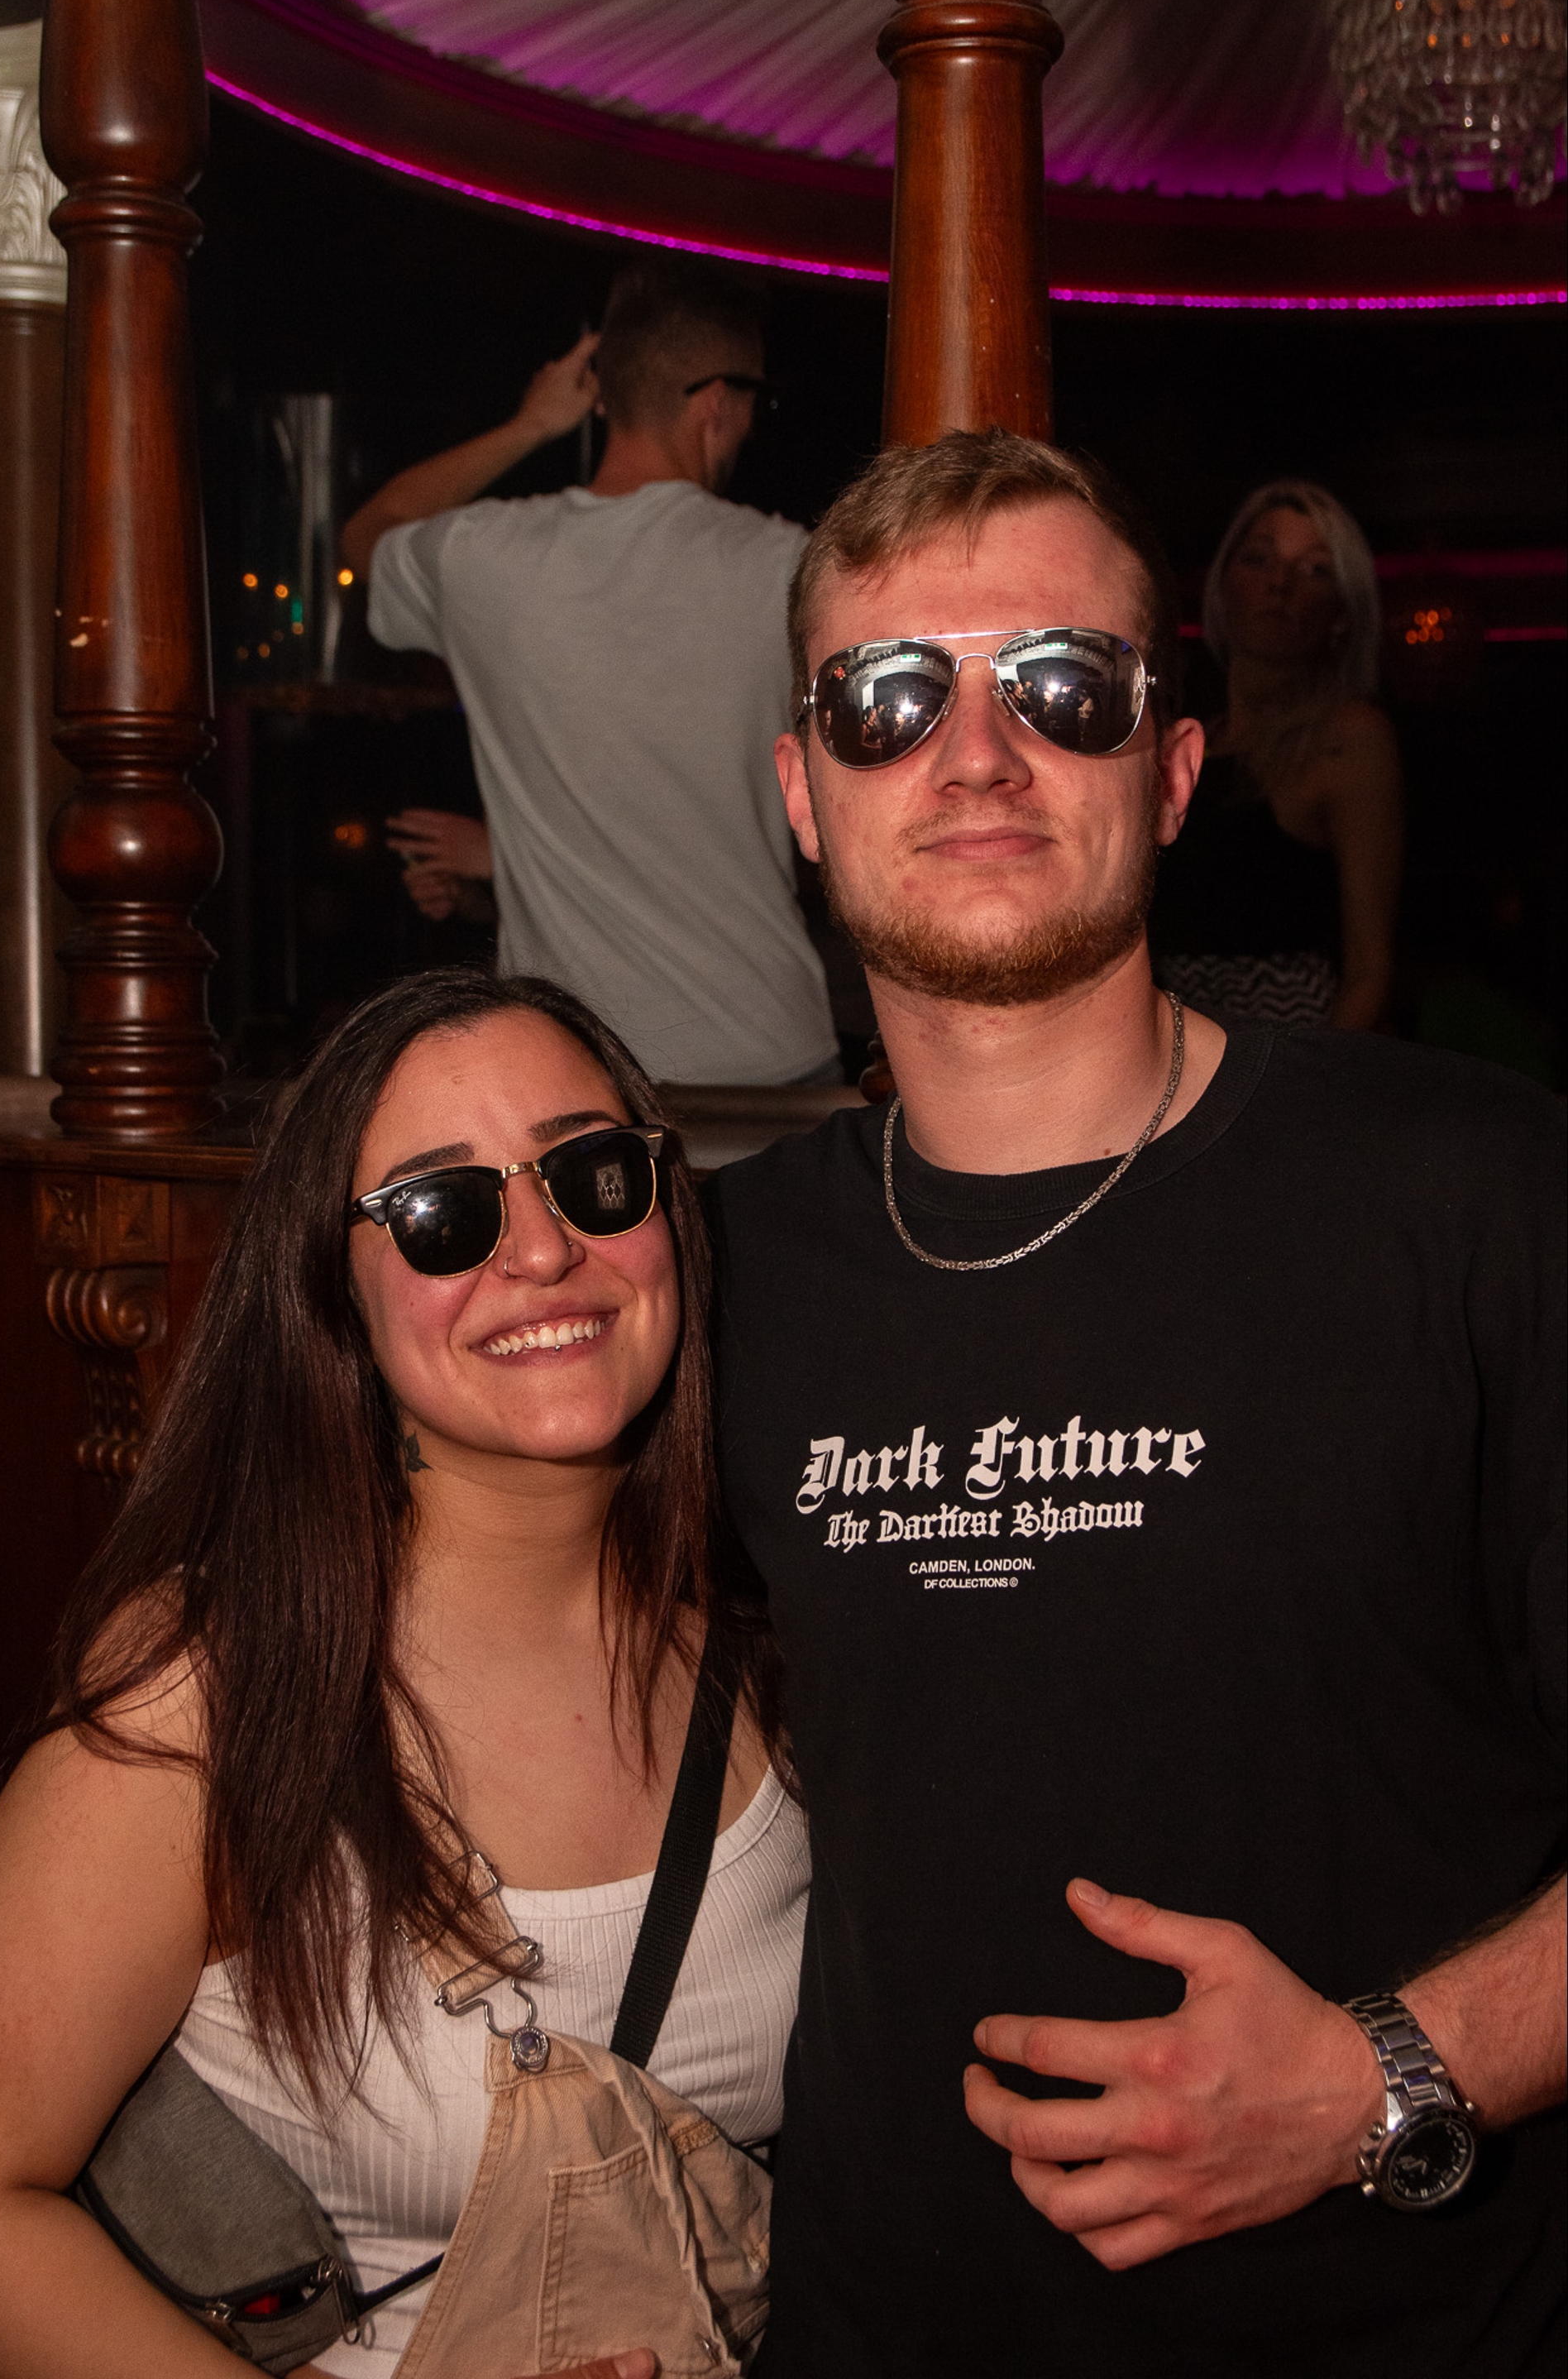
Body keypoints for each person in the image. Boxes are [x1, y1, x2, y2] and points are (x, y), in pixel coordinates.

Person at [705, 429, 1565, 2377]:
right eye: (888, 697)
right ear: (803, 794)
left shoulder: (1476, 1197)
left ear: (1169, 773)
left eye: (1062, 688)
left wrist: (1380, 2073)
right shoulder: (714, 1277)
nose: (976, 754)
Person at [0, 968, 807, 2379]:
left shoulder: (787, 1646)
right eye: (445, 1213)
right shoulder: (216, 1694)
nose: (543, 1249)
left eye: (591, 1174)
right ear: (333, 1294)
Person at [342, 261, 839, 1086]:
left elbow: (369, 533)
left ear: (601, 396)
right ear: (716, 403)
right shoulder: (790, 569)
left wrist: (530, 425)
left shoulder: (485, 561)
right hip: (767, 1051)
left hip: (578, 1075)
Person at [1150, 478, 1403, 1029]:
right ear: (1222, 584)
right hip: (1163, 1032)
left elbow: (1370, 968)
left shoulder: (1349, 737)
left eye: (1314, 569)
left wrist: (1315, 1075)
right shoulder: (1187, 738)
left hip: (1285, 1035)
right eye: (1258, 559)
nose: (1279, 583)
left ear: (1343, 609)